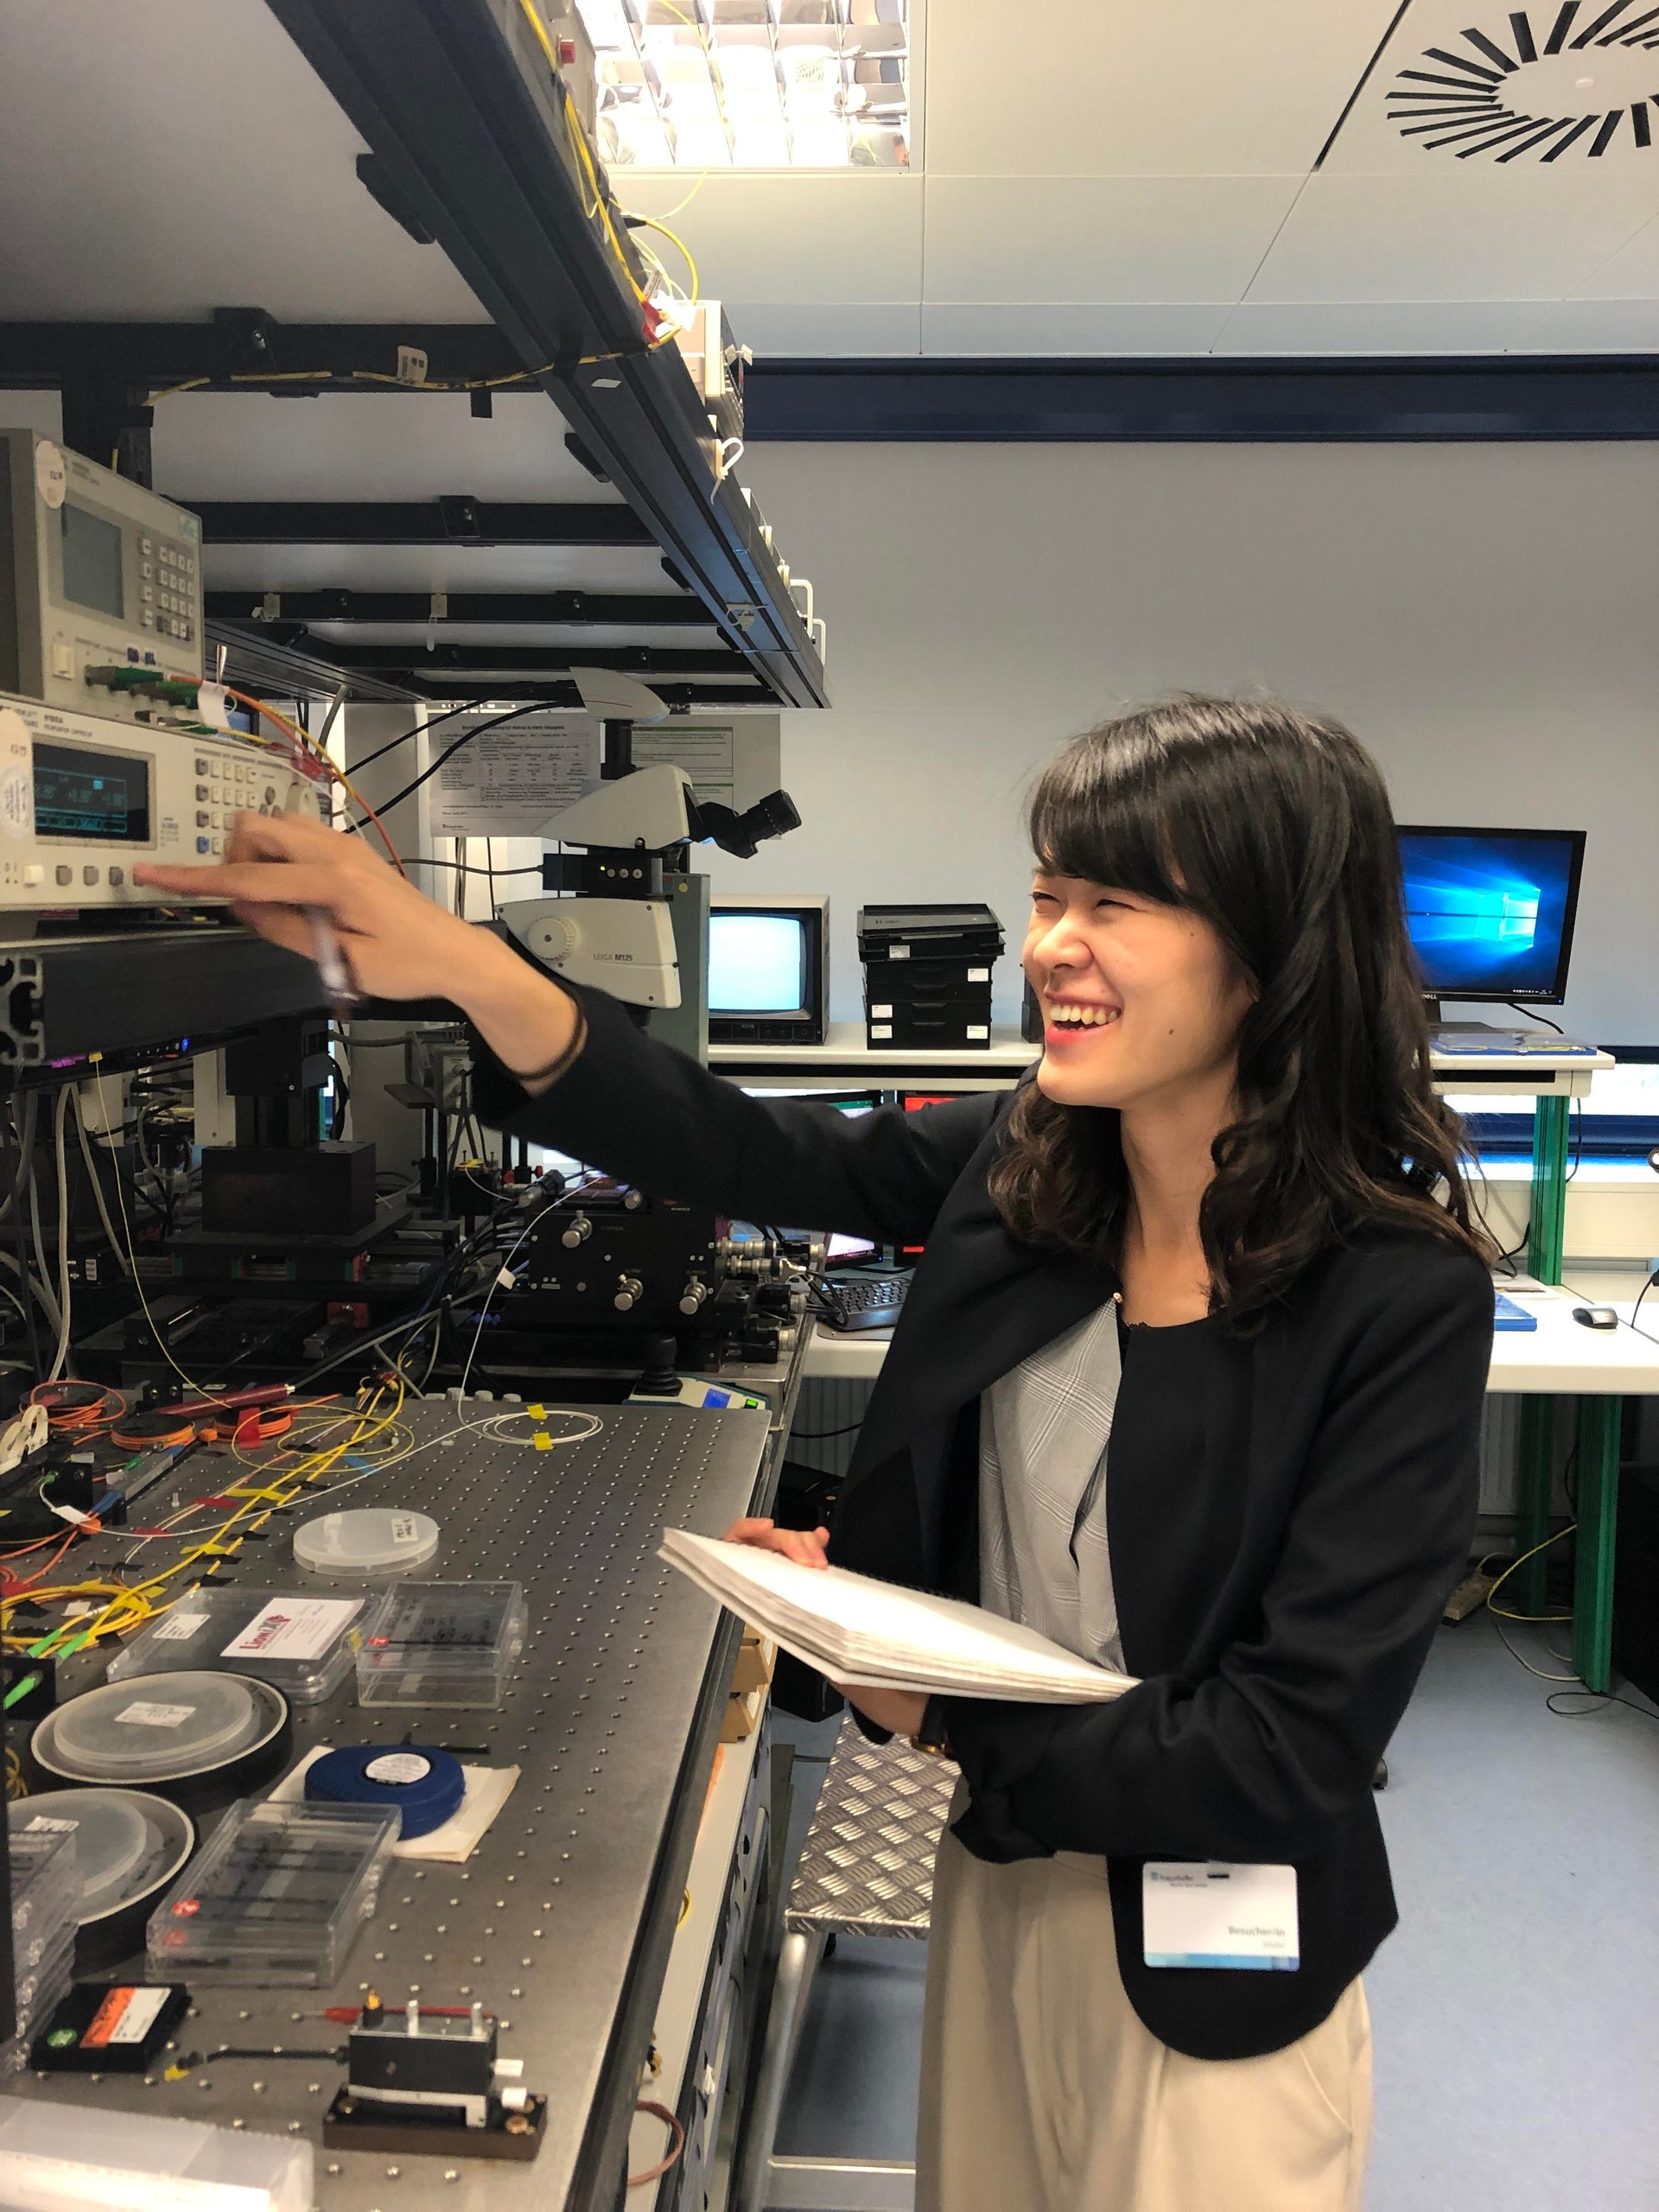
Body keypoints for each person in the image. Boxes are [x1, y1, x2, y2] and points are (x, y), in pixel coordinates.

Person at [137, 694, 1496, 2211]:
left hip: (1217, 1962)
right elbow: (739, 1147)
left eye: (1115, 904)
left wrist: (926, 1698)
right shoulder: (1034, 1164)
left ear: (1275, 949)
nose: (1051, 945)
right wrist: (465, 964)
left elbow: (1285, 1750)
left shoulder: (1396, 1296)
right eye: (1048, 894)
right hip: (1006, 1864)